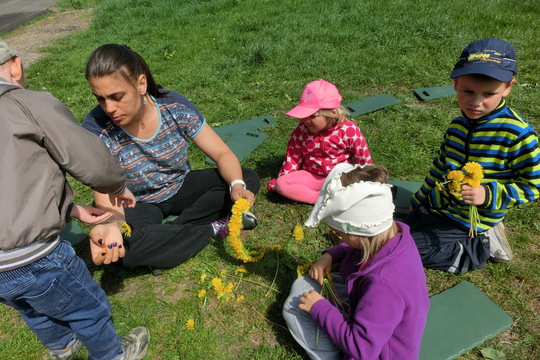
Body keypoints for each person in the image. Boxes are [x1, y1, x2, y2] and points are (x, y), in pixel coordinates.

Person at [0, 40, 149, 360]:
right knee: (88, 310)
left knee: (32, 308)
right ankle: (114, 354)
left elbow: (12, 185)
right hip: (33, 256)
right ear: (15, 65)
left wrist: (70, 208)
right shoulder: (25, 104)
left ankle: (61, 346)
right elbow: (87, 159)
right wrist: (117, 186)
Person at [81, 44, 260, 271]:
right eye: (100, 99)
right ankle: (213, 228)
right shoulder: (96, 131)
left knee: (247, 178)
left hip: (181, 186)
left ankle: (170, 236)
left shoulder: (174, 107)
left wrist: (236, 186)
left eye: (117, 97)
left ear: (141, 84)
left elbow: (222, 153)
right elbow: (106, 197)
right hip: (137, 202)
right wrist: (113, 225)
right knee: (124, 251)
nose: (109, 107)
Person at [404, 38, 540, 273]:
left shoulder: (518, 134)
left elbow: (533, 185)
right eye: (468, 91)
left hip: (471, 219)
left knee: (407, 252)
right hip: (441, 206)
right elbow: (440, 167)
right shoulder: (458, 125)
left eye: (488, 93)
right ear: (456, 83)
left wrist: (487, 194)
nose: (476, 102)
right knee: (394, 232)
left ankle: (468, 253)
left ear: (508, 87)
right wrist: (420, 199)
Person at [283, 163, 429, 360]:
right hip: (377, 314)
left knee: (294, 308)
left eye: (339, 233)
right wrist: (331, 255)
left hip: (373, 352)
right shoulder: (396, 235)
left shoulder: (383, 284)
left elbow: (363, 349)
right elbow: (358, 246)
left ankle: (332, 355)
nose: (336, 236)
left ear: (361, 233)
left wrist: (319, 308)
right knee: (304, 285)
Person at [267, 79, 372, 204]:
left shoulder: (349, 130)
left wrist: (370, 181)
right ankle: (320, 199)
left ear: (332, 113)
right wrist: (283, 179)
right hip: (312, 175)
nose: (306, 120)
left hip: (340, 176)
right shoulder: (302, 130)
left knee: (356, 188)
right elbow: (293, 156)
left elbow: (362, 158)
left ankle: (334, 195)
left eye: (313, 116)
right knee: (282, 184)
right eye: (304, 115)